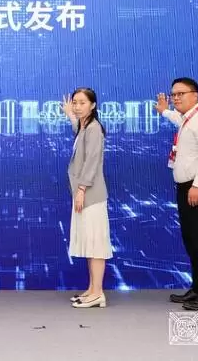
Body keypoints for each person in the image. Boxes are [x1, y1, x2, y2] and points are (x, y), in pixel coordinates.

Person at [156, 77, 198, 311]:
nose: (176, 98)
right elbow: (178, 120)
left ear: (195, 95)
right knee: (191, 239)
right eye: (173, 94)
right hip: (186, 187)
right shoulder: (187, 119)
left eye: (180, 94)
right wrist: (165, 111)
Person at [62, 88, 113, 309]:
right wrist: (70, 116)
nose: (77, 106)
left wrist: (82, 189)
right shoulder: (85, 126)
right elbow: (78, 132)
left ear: (93, 105)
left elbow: (92, 161)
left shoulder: (94, 129)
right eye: (75, 102)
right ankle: (92, 290)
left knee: (96, 244)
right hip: (84, 194)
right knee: (90, 243)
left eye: (82, 103)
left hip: (91, 195)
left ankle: (98, 292)